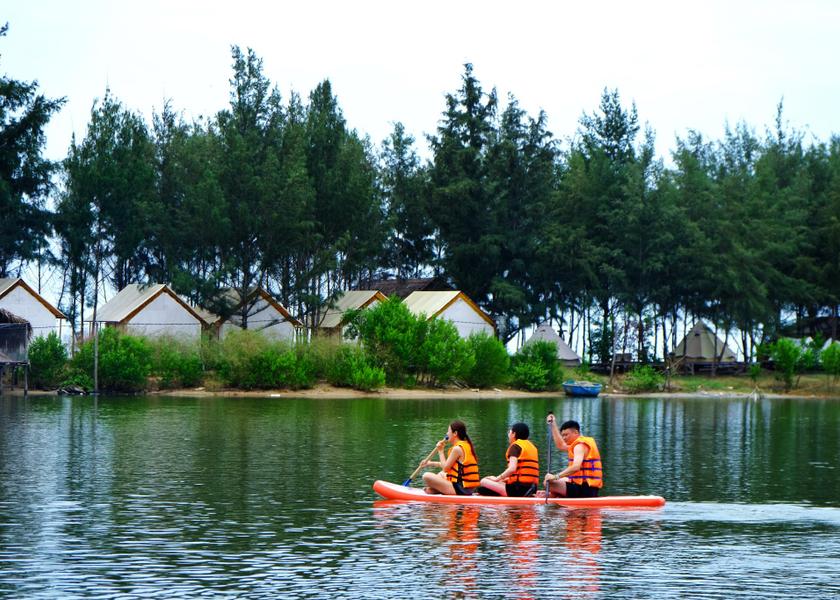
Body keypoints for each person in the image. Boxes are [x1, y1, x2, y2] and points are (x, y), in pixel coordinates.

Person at [544, 415, 603, 498]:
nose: (564, 438)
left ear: (576, 432)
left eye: (566, 435)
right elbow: (561, 445)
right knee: (560, 480)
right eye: (562, 435)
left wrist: (555, 477)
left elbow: (576, 467)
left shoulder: (579, 446)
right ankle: (556, 497)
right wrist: (553, 424)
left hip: (585, 489)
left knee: (548, 482)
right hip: (587, 488)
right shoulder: (578, 444)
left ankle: (554, 498)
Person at [477, 422, 539, 497]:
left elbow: (512, 469)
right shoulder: (532, 447)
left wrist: (497, 478)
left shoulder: (515, 446)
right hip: (532, 488)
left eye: (509, 432)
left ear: (514, 434)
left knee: (484, 481)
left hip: (518, 490)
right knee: (483, 489)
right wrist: (502, 479)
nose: (509, 435)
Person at [422, 420, 480, 495]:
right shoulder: (466, 445)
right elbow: (448, 465)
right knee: (441, 474)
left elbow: (445, 468)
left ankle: (435, 490)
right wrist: (430, 463)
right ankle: (434, 490)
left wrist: (440, 451)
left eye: (448, 431)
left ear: (455, 433)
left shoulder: (457, 449)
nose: (446, 433)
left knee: (426, 476)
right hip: (467, 489)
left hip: (461, 490)